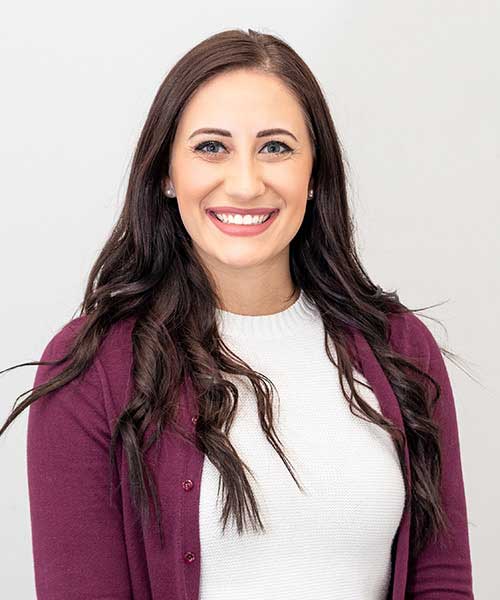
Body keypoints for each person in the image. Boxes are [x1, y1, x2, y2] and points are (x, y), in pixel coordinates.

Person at [0, 28, 474, 599]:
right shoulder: (93, 370)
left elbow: (442, 581)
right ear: (166, 173)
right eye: (211, 147)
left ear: (315, 174)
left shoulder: (399, 347)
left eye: (275, 147)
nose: (246, 184)